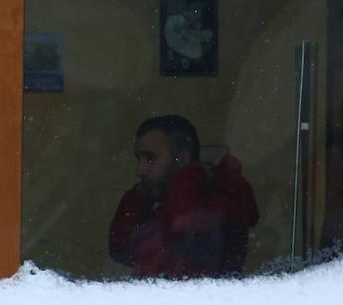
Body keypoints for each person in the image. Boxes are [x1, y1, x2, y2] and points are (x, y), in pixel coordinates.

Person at [109, 115, 259, 278]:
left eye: (150, 159)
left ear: (181, 159)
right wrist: (138, 198)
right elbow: (122, 250)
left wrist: (187, 178)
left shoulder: (215, 200)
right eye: (140, 159)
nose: (139, 170)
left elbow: (182, 227)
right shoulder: (157, 204)